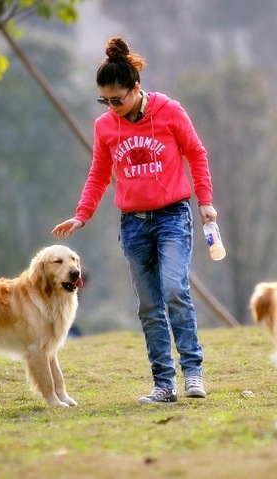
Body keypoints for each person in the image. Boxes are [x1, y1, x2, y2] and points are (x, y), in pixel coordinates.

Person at [51, 36, 219, 405]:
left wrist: (204, 202)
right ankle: (164, 384)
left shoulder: (169, 111)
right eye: (105, 101)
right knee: (148, 305)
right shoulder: (105, 127)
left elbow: (196, 153)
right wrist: (82, 215)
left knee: (175, 290)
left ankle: (192, 371)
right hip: (133, 224)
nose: (112, 108)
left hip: (173, 216)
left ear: (136, 89)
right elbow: (99, 174)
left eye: (118, 100)